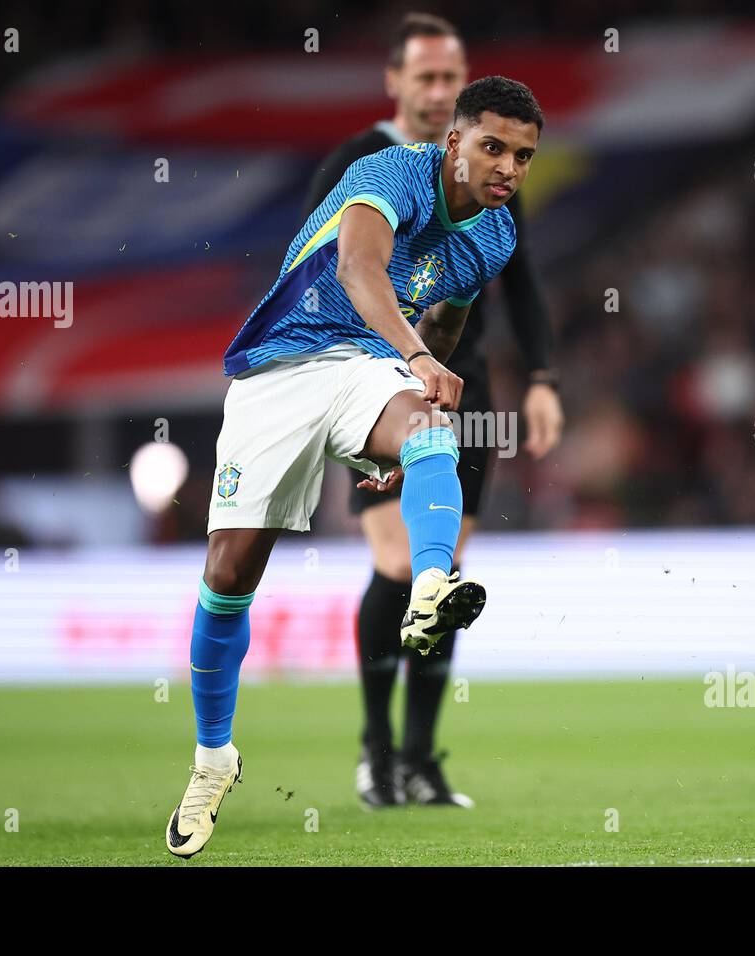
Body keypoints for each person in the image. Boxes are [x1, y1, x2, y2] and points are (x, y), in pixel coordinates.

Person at [165, 75, 546, 857]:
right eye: (493, 146)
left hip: (369, 369)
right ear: (454, 142)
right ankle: (214, 758)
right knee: (230, 573)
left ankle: (431, 586)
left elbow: (448, 313)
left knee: (433, 431)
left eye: (524, 155)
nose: (508, 166)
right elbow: (359, 271)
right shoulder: (387, 173)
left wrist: (412, 394)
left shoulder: (497, 234)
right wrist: (417, 356)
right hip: (281, 366)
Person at [301, 12, 563, 811]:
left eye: (452, 77)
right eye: (426, 77)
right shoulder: (361, 164)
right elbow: (319, 264)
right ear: (396, 82)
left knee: (442, 574)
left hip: (464, 386)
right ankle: (376, 754)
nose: (439, 89)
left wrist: (544, 375)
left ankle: (420, 757)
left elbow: (519, 279)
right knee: (395, 565)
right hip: (377, 385)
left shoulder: (491, 170)